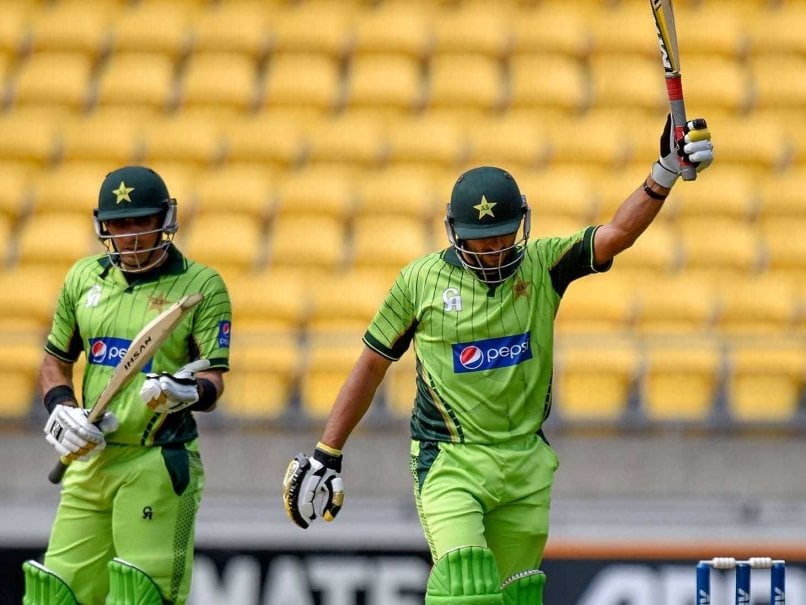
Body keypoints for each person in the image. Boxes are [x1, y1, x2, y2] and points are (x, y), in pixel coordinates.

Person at [282, 115, 713, 604]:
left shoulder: (543, 263)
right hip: (450, 460)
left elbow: (616, 234)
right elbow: (372, 364)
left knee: (518, 597)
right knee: (465, 587)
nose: (494, 250)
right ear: (455, 233)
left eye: (504, 236)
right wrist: (327, 452)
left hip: (525, 461)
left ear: (522, 225)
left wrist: (665, 172)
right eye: (481, 240)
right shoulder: (418, 283)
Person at [23, 165, 232, 605]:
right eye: (120, 223)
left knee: (140, 597)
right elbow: (55, 362)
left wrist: (187, 392)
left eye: (142, 221)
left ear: (164, 221)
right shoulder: (84, 279)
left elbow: (213, 378)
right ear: (103, 226)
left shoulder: (201, 285)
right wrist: (61, 407)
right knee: (53, 595)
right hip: (91, 458)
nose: (131, 235)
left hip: (157, 460)